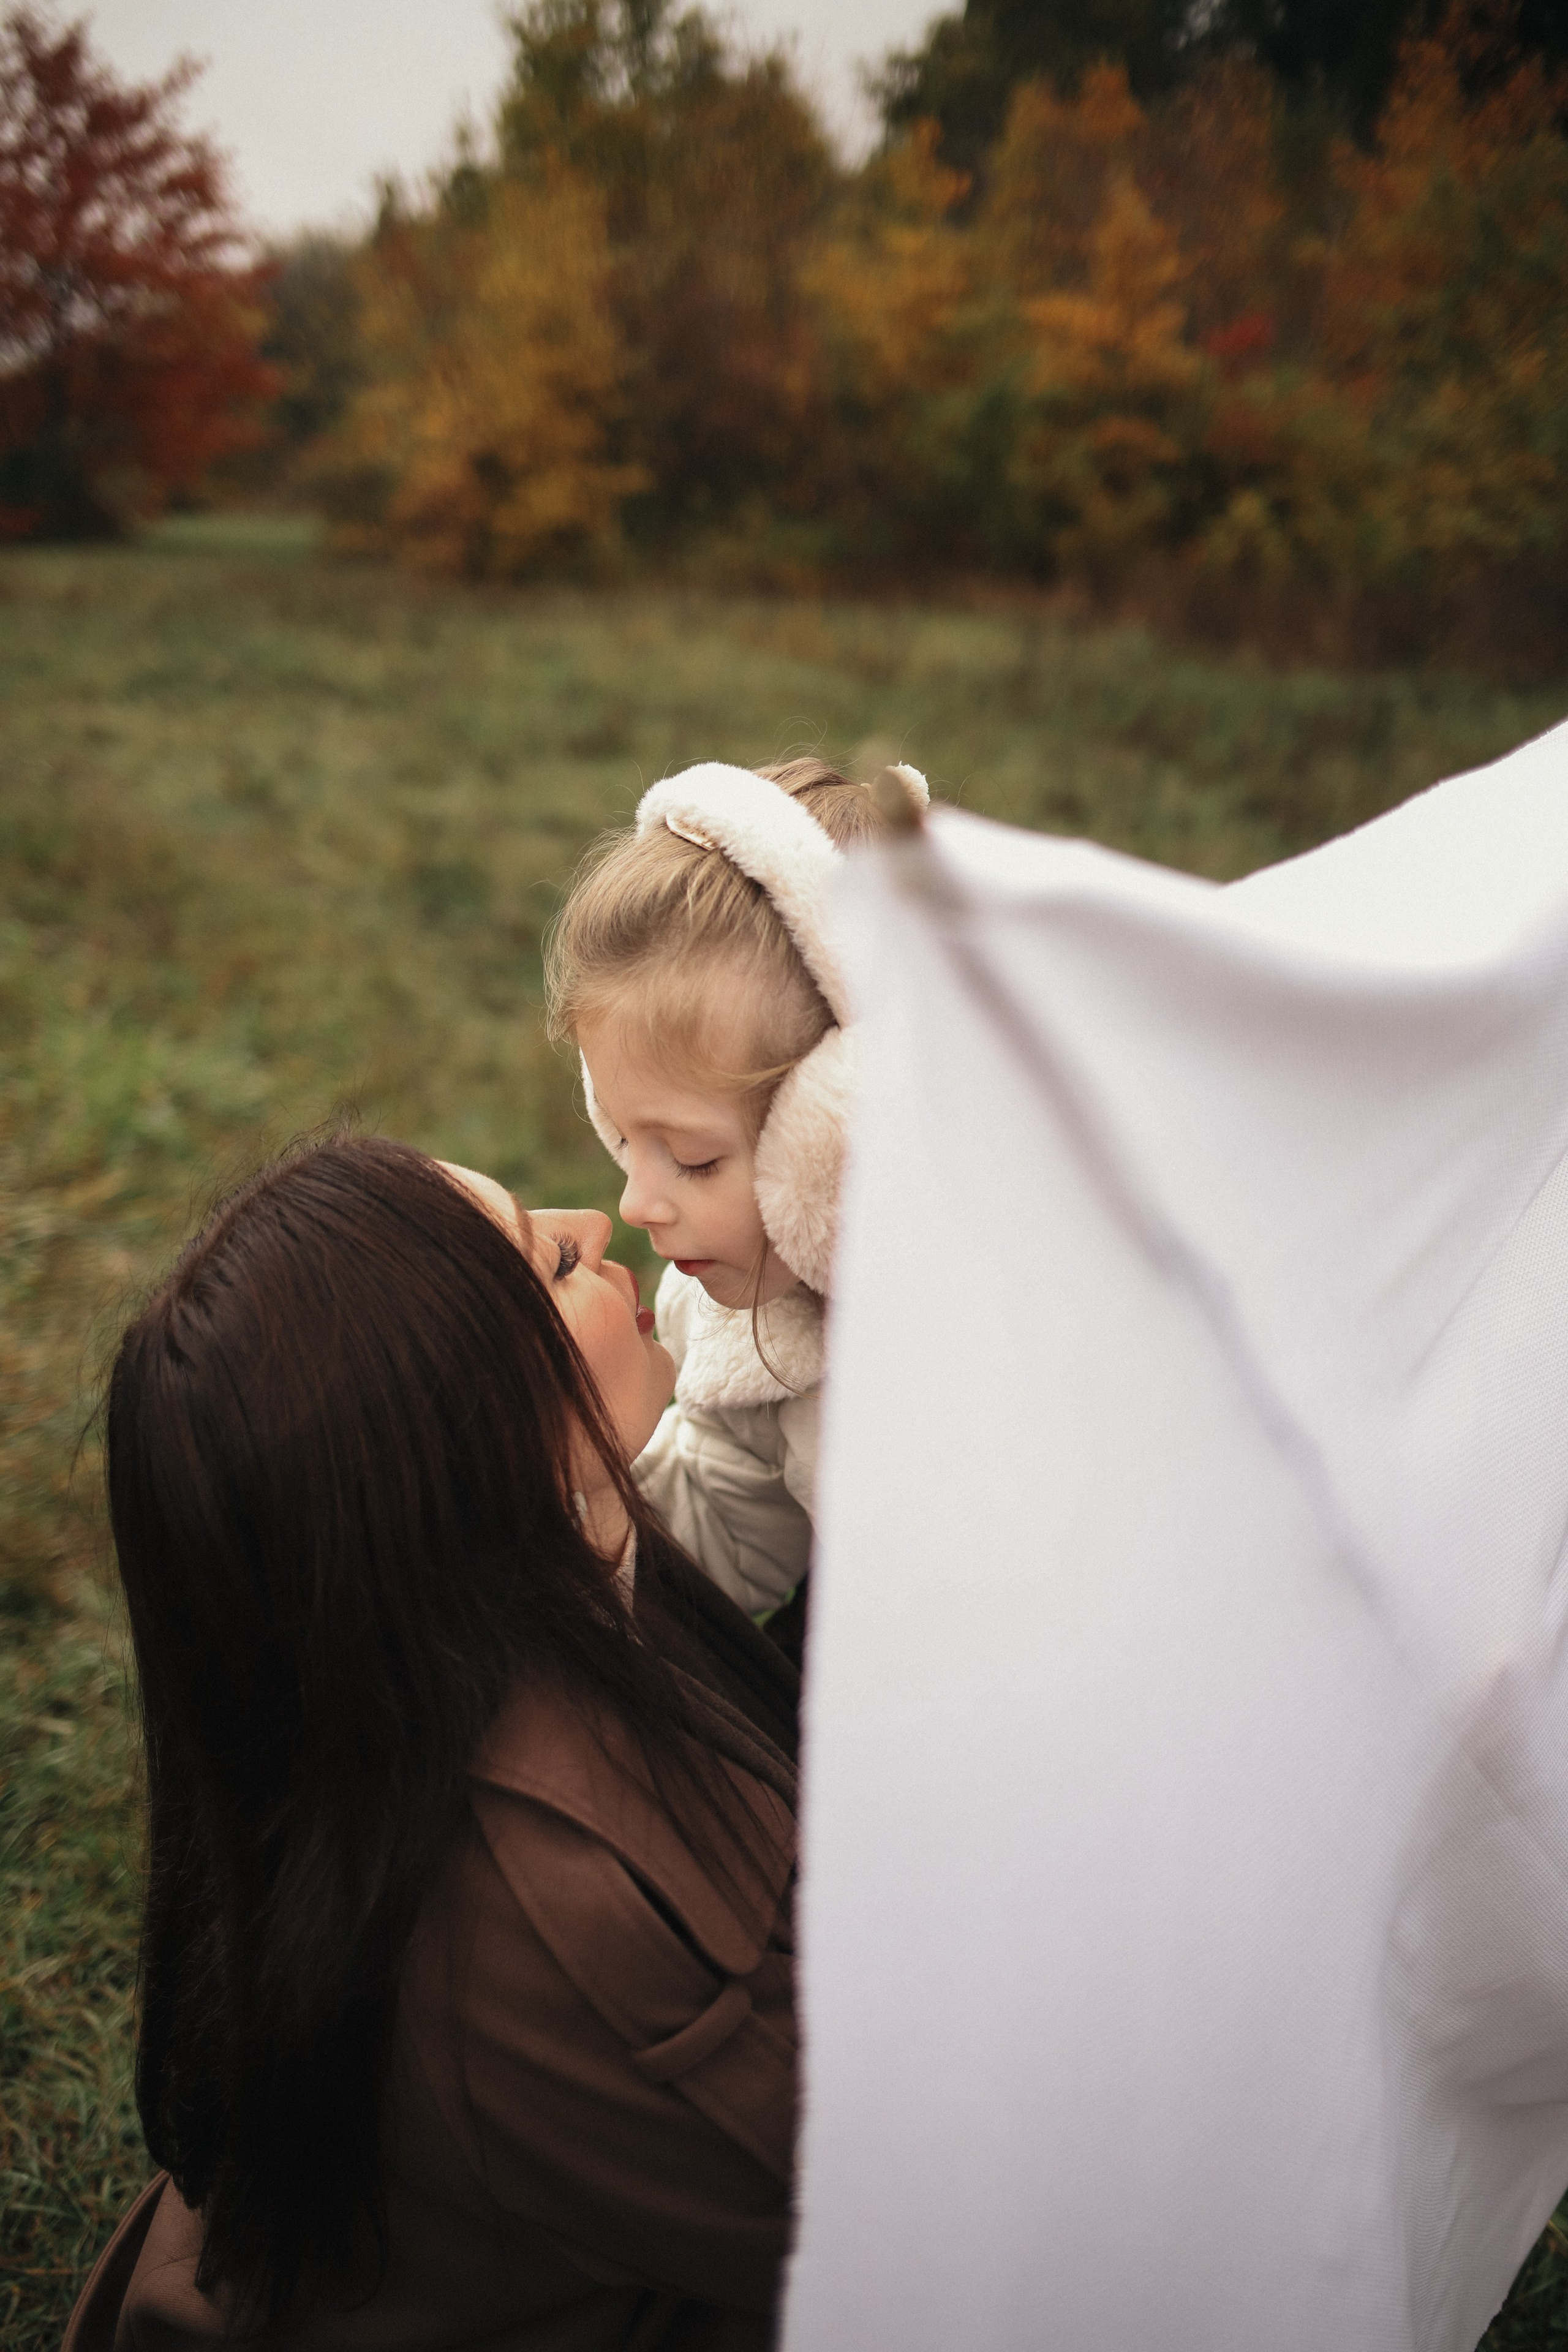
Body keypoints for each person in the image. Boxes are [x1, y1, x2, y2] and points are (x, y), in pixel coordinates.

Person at [64, 1135, 799, 2352]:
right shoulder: (559, 1905)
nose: (602, 1221)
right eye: (557, 1259)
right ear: (480, 1448)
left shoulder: (503, 1600)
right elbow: (871, 2208)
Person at [546, 757, 927, 1618]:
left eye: (692, 1158)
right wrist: (583, 1496)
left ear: (846, 1127)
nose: (634, 1205)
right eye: (622, 1136)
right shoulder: (737, 1314)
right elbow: (723, 1529)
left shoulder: (1025, 1310)